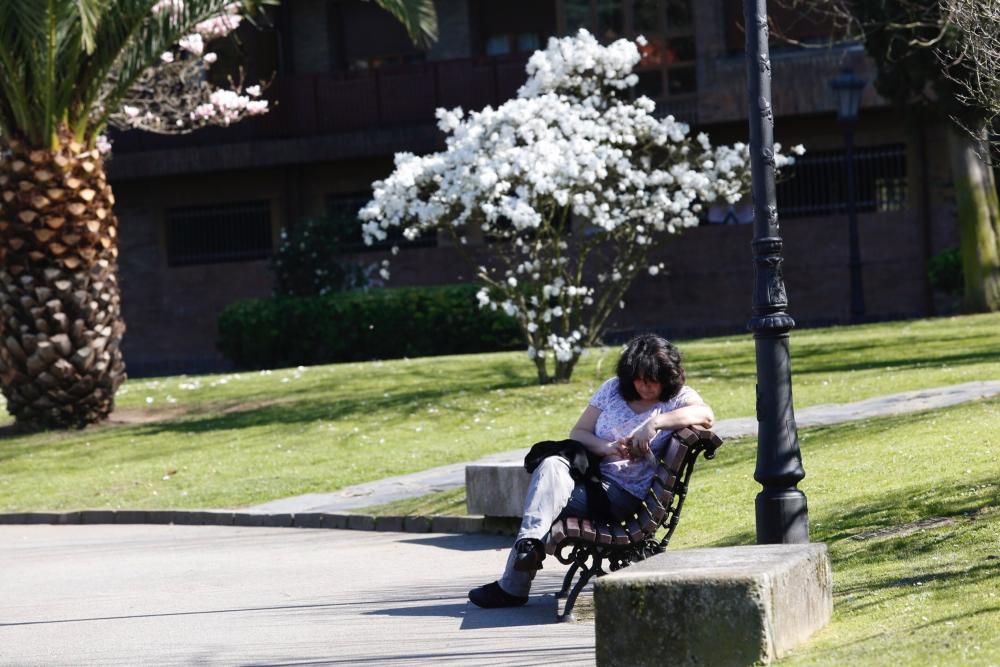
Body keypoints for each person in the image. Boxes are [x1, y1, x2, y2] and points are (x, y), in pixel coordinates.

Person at [468, 333, 715, 608]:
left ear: (668, 377)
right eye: (639, 378)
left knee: (542, 495)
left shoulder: (678, 398)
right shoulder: (612, 389)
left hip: (619, 496)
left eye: (653, 379)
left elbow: (706, 415)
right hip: (590, 479)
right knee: (551, 464)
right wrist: (607, 447)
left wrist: (654, 424)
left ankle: (513, 585)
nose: (645, 385)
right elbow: (579, 433)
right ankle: (530, 547)